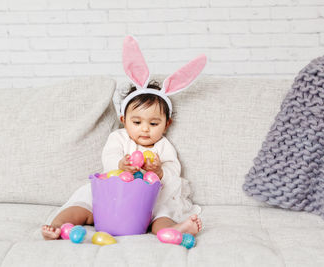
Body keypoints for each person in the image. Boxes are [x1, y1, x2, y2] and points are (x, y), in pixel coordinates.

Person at [42, 35, 207, 240]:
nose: (145, 129)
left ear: (167, 124)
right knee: (83, 202)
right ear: (124, 119)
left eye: (154, 124)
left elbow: (174, 172)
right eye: (137, 122)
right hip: (113, 198)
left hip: (147, 202)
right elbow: (109, 158)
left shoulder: (163, 146)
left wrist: (159, 171)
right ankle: (58, 226)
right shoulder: (118, 138)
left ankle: (173, 229)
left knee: (162, 211)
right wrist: (121, 165)